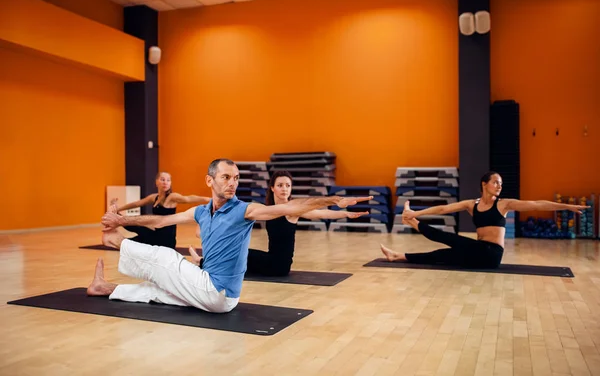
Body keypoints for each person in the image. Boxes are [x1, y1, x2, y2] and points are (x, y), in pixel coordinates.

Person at [88, 159, 372, 313]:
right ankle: (106, 288)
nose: (233, 183)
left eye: (236, 178)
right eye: (226, 177)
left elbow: (292, 206)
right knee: (160, 293)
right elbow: (161, 220)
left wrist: (331, 200)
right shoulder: (200, 211)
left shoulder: (245, 211)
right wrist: (122, 218)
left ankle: (115, 241)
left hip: (218, 292)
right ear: (210, 180)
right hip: (211, 292)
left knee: (165, 257)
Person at [380, 171, 588, 269]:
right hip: (478, 253)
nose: (499, 186)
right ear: (484, 184)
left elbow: (536, 204)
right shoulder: (472, 205)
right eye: (496, 182)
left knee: (450, 238)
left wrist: (567, 206)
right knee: (442, 254)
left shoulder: (504, 204)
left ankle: (412, 222)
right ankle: (398, 256)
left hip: (492, 255)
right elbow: (444, 208)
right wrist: (418, 212)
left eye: (501, 183)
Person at [187, 170, 369, 276]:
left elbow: (321, 213)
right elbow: (236, 215)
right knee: (239, 252)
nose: (284, 189)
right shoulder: (266, 209)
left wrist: (346, 213)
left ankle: (203, 263)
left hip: (279, 265)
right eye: (280, 185)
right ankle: (207, 262)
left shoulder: (293, 211)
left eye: (288, 186)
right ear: (272, 188)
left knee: (238, 255)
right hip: (270, 259)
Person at [110, 171, 210, 249]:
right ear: (156, 182)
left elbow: (189, 198)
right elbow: (136, 204)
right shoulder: (154, 197)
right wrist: (118, 208)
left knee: (136, 234)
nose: (165, 182)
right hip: (156, 235)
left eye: (168, 180)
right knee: (135, 229)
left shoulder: (172, 197)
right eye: (162, 179)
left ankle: (117, 234)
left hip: (166, 240)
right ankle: (117, 225)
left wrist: (211, 200)